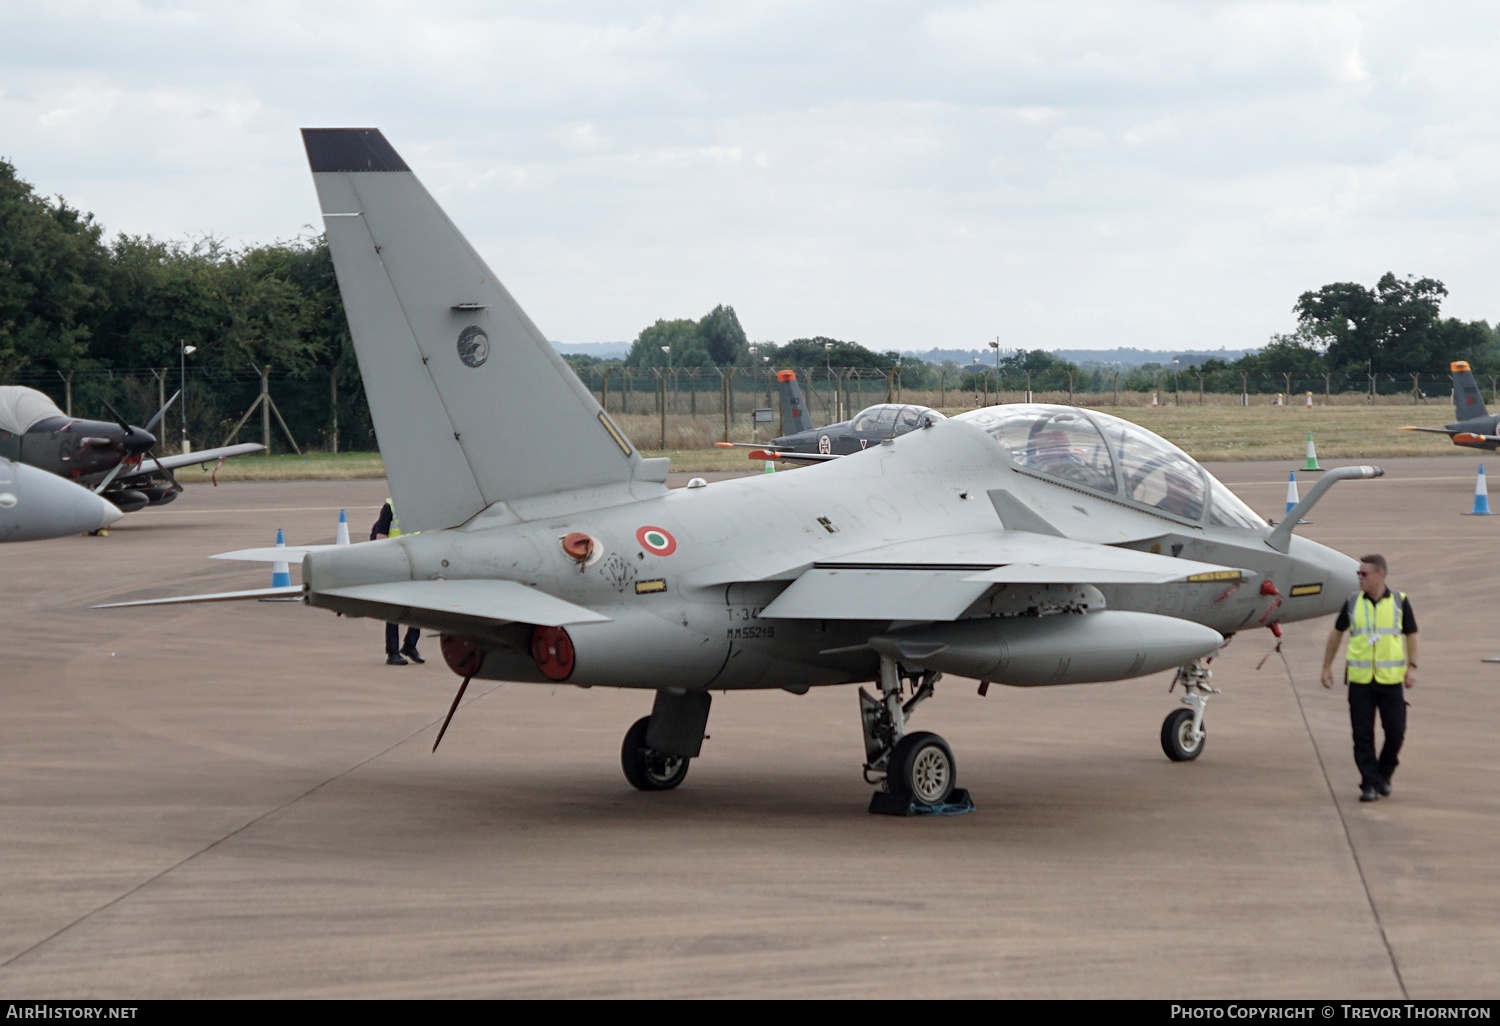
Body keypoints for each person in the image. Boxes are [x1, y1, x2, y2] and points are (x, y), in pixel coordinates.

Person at [1320, 554, 1417, 802]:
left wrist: (1412, 666)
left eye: (1364, 574)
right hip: (1361, 681)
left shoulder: (1399, 601)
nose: (1359, 578)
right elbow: (1336, 634)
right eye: (1358, 574)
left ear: (1379, 575)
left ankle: (1384, 774)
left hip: (1390, 681)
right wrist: (1327, 666)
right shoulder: (1353, 602)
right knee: (1362, 735)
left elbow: (1411, 635)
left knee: (1396, 733)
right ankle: (1369, 784)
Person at [371, 498, 423, 666]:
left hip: (416, 562)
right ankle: (392, 652)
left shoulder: (421, 505)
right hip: (395, 562)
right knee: (394, 609)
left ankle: (410, 645)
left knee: (420, 606)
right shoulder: (390, 507)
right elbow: (380, 537)